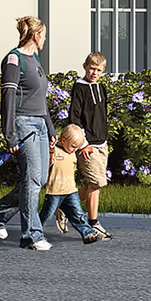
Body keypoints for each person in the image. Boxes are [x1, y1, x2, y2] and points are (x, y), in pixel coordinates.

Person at [0, 15, 51, 250]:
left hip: (41, 125)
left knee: (39, 179)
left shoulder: (35, 59)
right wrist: (9, 134)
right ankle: (31, 235)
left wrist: (51, 130)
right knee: (32, 180)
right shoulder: (14, 59)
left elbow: (41, 99)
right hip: (23, 124)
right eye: (43, 35)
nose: (45, 39)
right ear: (35, 35)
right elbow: (8, 99)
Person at [64, 51, 114, 238]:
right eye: (92, 68)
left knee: (95, 184)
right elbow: (74, 119)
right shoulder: (80, 87)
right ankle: (94, 223)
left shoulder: (101, 88)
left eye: (99, 70)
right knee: (95, 184)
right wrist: (83, 144)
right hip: (88, 145)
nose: (95, 73)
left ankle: (64, 205)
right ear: (85, 66)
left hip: (102, 143)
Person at [39, 124, 107, 246]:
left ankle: (88, 233)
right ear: (63, 140)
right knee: (47, 214)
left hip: (71, 191)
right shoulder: (55, 151)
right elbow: (46, 163)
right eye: (73, 146)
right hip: (55, 192)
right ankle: (35, 232)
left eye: (77, 148)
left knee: (78, 214)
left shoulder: (72, 153)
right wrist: (49, 151)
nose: (75, 150)